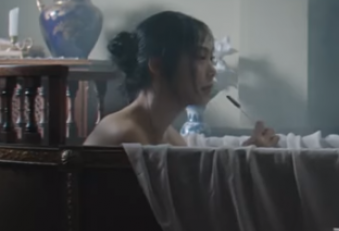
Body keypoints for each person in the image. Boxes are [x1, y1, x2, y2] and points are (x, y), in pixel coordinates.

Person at [84, 11, 278, 148]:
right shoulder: (125, 134)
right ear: (157, 65)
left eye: (211, 59)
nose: (212, 71)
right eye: (201, 57)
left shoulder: (168, 135)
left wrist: (250, 151)